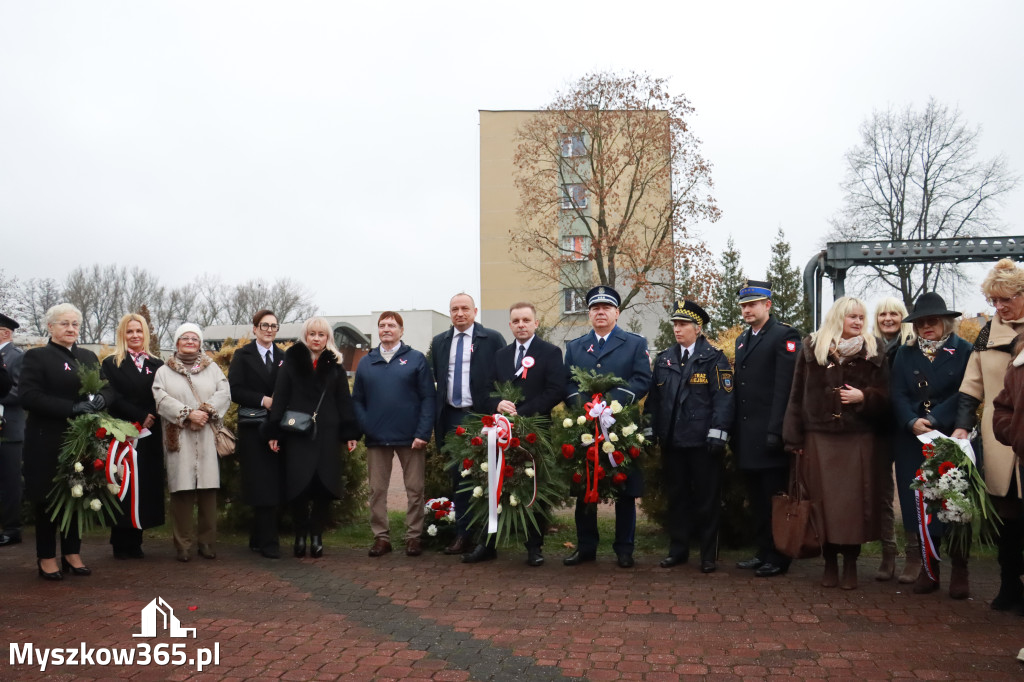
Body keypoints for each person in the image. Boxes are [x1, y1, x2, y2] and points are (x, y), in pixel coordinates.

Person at [783, 296, 889, 590]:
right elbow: (796, 395)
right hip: (819, 437)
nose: (857, 322)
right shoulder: (811, 347)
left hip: (859, 438)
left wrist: (865, 397)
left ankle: (851, 563)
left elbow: (887, 395)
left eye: (860, 317)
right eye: (851, 316)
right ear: (837, 318)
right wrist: (793, 439)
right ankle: (829, 563)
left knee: (853, 506)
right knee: (823, 504)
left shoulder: (875, 350)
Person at [462, 302, 567, 566]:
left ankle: (534, 547)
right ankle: (488, 544)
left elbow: (555, 390)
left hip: (534, 431)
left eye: (526, 320)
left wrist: (522, 413)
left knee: (533, 487)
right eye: (516, 321)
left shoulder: (551, 352)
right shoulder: (500, 355)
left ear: (536, 323)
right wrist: (497, 405)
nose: (521, 325)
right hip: (499, 433)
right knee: (493, 487)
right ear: (510, 325)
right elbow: (485, 390)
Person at [20, 303, 114, 580]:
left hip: (83, 439)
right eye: (64, 323)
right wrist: (70, 408)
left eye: (75, 324)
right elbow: (28, 396)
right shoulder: (36, 357)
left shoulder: (88, 356)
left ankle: (73, 553)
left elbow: (109, 390)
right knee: (49, 499)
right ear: (50, 327)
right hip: (47, 440)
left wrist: (102, 400)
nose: (71, 328)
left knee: (78, 493)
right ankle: (47, 557)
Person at [952, 258, 1024, 611]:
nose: (999, 307)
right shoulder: (985, 336)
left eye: (1006, 299)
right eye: (994, 301)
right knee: (1006, 519)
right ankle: (1009, 585)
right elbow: (971, 387)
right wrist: (962, 426)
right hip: (1001, 438)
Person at [563, 286, 652, 568]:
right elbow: (566, 383)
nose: (600, 312)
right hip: (586, 425)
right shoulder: (575, 346)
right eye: (594, 309)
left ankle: (624, 548)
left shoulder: (635, 343)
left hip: (620, 425)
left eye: (606, 308)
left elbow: (642, 379)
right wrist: (584, 406)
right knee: (585, 485)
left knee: (624, 488)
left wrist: (612, 405)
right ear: (589, 314)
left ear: (617, 312)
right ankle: (586, 546)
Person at [890, 292, 972, 597]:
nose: (926, 326)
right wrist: (911, 421)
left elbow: (967, 391)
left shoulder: (963, 350)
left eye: (932, 321)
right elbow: (896, 392)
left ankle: (960, 569)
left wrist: (935, 418)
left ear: (945, 322)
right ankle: (929, 568)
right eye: (921, 322)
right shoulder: (905, 353)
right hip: (912, 438)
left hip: (950, 436)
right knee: (920, 505)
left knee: (954, 505)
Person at [648, 300, 734, 574]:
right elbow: (655, 400)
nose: (677, 329)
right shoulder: (664, 359)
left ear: (698, 328)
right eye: (675, 324)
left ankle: (708, 555)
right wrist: (651, 431)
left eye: (683, 324)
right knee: (677, 499)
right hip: (673, 442)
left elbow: (724, 401)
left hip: (702, 443)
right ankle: (678, 550)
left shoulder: (714, 358)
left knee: (707, 501)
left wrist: (718, 435)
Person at [267, 317, 361, 559]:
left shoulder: (336, 367)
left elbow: (344, 401)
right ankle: (300, 535)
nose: (316, 338)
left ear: (327, 338)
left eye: (321, 334)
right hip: (298, 433)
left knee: (323, 486)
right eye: (312, 334)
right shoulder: (291, 362)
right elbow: (280, 398)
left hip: (327, 434)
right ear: (305, 336)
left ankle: (317, 535)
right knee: (299, 486)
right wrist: (273, 431)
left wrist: (350, 433)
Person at [732, 280, 802, 578]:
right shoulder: (742, 339)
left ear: (767, 305)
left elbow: (784, 388)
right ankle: (763, 550)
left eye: (753, 304)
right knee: (757, 499)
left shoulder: (784, 335)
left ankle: (780, 555)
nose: (747, 310)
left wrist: (777, 431)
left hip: (770, 435)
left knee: (775, 498)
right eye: (744, 305)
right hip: (747, 436)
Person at [352, 311, 434, 559]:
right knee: (377, 490)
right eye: (382, 325)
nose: (386, 329)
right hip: (377, 438)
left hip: (411, 438)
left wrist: (423, 432)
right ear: (378, 330)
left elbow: (428, 398)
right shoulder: (367, 361)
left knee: (415, 489)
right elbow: (358, 400)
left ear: (401, 330)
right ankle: (381, 538)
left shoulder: (416, 359)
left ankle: (413, 538)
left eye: (392, 325)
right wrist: (367, 426)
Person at [429, 293, 504, 555]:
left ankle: (488, 537)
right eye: (454, 309)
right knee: (459, 478)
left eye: (464, 308)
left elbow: (502, 377)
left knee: (486, 476)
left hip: (481, 418)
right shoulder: (439, 342)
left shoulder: (491, 339)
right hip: (451, 417)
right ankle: (463, 535)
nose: (459, 313)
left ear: (475, 310)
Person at [152, 323, 230, 563]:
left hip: (206, 435)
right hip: (179, 437)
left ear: (200, 343)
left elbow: (224, 393)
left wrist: (204, 412)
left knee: (207, 492)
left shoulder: (213, 368)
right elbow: (160, 397)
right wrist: (187, 414)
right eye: (184, 338)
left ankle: (206, 542)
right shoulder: (164, 371)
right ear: (176, 343)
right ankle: (183, 544)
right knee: (182, 492)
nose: (189, 342)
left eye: (194, 339)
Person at [101, 313, 165, 559]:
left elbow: (163, 394)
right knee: (123, 483)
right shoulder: (110, 363)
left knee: (144, 485)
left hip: (150, 432)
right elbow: (112, 395)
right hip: (123, 432)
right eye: (130, 331)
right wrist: (138, 415)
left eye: (139, 331)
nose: (135, 335)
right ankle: (120, 541)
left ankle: (137, 539)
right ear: (122, 335)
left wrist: (151, 415)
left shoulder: (157, 363)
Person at [228, 309, 285, 559]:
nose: (269, 330)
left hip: (278, 427)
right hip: (253, 428)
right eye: (264, 325)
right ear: (255, 328)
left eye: (273, 326)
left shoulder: (284, 356)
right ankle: (268, 542)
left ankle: (258, 537)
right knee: (260, 483)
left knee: (273, 482)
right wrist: (264, 400)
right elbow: (234, 390)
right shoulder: (243, 355)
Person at [872, 298, 915, 582]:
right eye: (883, 313)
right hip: (877, 426)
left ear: (903, 318)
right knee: (882, 491)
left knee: (911, 489)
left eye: (894, 313)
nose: (888, 318)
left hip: (906, 427)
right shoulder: (870, 348)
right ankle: (889, 551)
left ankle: (915, 553)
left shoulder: (913, 347)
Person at [0, 312, 26, 548]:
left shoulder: (16, 357)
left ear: (4, 332)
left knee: (9, 480)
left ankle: (11, 528)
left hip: (8, 427)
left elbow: (19, 391)